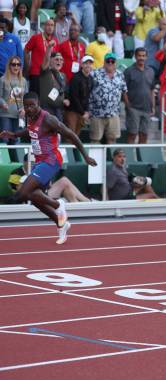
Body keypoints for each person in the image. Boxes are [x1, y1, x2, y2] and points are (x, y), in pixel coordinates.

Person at [0, 92, 97, 244]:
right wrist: (13, 134)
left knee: (22, 194)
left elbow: (71, 135)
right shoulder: (30, 117)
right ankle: (61, 222)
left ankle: (59, 205)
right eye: (27, 106)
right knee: (32, 196)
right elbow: (30, 131)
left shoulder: (49, 119)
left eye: (32, 105)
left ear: (38, 104)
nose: (29, 109)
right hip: (40, 162)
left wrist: (85, 156)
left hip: (51, 160)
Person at [9, 154, 91, 202]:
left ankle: (77, 207)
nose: (34, 164)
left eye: (35, 162)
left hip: (45, 194)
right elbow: (18, 192)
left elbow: (49, 186)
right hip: (31, 198)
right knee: (64, 181)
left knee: (67, 189)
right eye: (31, 162)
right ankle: (87, 202)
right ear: (25, 162)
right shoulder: (15, 173)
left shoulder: (39, 170)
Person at [124, 47, 155, 144]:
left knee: (144, 135)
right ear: (135, 56)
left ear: (146, 57)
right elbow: (123, 90)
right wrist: (128, 105)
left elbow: (152, 90)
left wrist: (153, 106)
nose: (141, 58)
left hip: (147, 108)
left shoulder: (151, 71)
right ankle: (130, 158)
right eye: (139, 55)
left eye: (143, 56)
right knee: (132, 134)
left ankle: (141, 158)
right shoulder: (128, 71)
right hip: (133, 108)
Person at [64, 54, 93, 136]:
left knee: (76, 136)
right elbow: (74, 97)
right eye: (86, 63)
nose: (88, 65)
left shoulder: (91, 79)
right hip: (72, 111)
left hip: (81, 112)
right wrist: (83, 112)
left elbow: (88, 97)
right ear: (82, 65)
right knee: (71, 136)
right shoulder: (76, 78)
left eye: (90, 63)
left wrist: (86, 111)